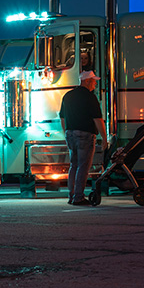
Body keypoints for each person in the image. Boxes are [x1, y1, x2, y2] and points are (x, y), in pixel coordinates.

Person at [59, 70, 108, 206]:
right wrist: (104, 137)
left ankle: (71, 195)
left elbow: (62, 117)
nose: (95, 84)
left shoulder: (67, 96)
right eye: (93, 81)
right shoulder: (90, 97)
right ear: (86, 81)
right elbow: (98, 119)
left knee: (73, 165)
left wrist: (66, 132)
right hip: (85, 135)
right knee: (83, 166)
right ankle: (79, 197)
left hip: (70, 134)